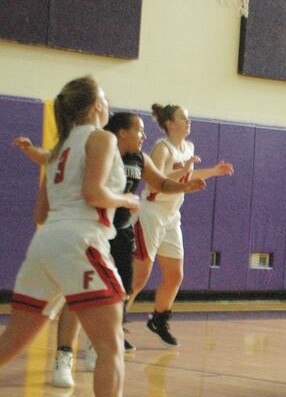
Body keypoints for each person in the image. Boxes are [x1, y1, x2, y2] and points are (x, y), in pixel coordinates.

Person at [13, 112, 206, 386]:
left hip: (122, 234)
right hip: (91, 233)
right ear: (123, 132)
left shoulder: (140, 158)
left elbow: (161, 182)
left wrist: (185, 185)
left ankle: (95, 347)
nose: (144, 136)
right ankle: (64, 356)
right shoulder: (98, 151)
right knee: (77, 297)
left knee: (118, 295)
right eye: (139, 130)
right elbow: (53, 159)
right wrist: (33, 151)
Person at [0, 76, 139, 397]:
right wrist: (127, 200)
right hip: (81, 241)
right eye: (105, 99)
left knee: (9, 344)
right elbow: (94, 193)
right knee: (110, 346)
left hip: (44, 244)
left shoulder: (59, 148)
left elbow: (40, 215)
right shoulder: (101, 139)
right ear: (96, 106)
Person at [128, 103, 233, 347]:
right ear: (170, 123)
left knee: (175, 275)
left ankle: (158, 319)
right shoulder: (161, 149)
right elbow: (156, 184)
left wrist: (213, 171)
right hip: (151, 213)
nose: (189, 122)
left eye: (188, 118)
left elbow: (188, 176)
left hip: (172, 215)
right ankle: (115, 323)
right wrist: (184, 171)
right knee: (139, 277)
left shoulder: (189, 147)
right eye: (184, 118)